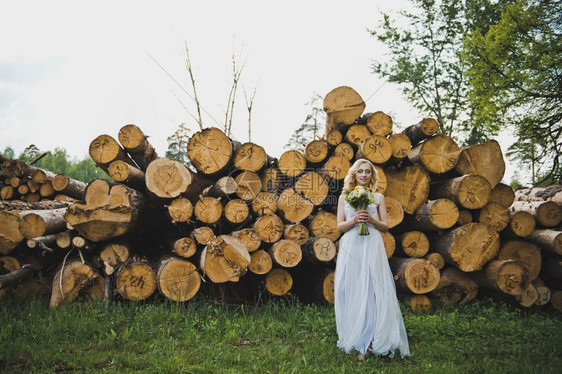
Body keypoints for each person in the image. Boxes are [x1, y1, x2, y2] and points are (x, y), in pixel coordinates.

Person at [334, 158, 410, 359]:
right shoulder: (344, 197)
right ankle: (355, 332)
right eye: (360, 171)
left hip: (372, 244)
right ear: (354, 174)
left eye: (368, 172)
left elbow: (385, 226)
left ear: (371, 175)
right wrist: (354, 220)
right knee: (349, 287)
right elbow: (339, 226)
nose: (364, 175)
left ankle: (370, 340)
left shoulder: (378, 197)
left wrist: (371, 219)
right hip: (352, 244)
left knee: (371, 289)